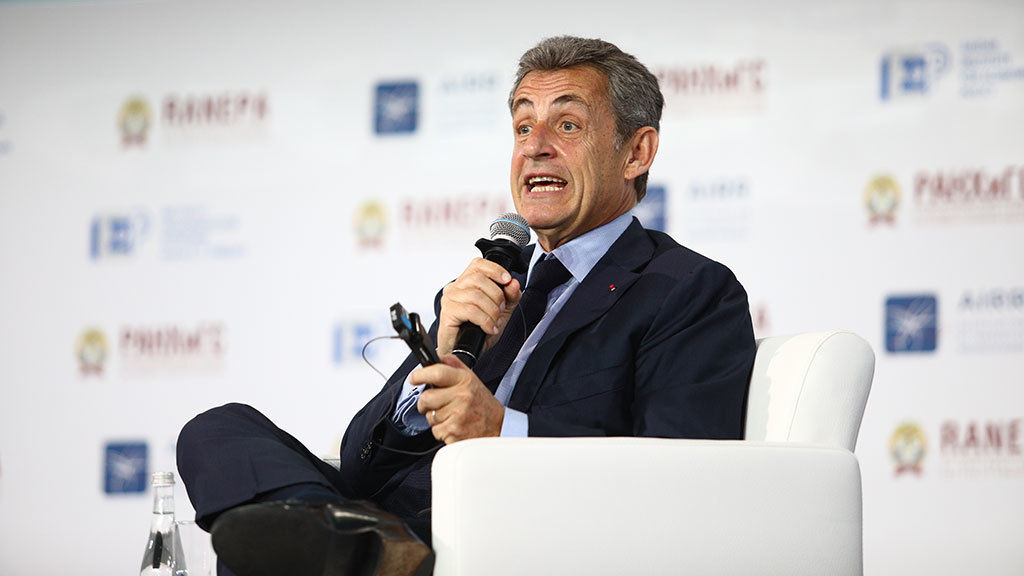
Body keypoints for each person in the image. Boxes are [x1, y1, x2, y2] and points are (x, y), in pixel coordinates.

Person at [176, 35, 756, 576]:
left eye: (567, 125)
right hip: (397, 531)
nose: (535, 147)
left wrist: (502, 430)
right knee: (218, 431)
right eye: (523, 127)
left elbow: (678, 479)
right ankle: (352, 546)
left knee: (279, 545)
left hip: (508, 542)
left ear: (636, 152)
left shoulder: (687, 290)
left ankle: (336, 550)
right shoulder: (489, 284)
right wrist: (429, 376)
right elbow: (358, 464)